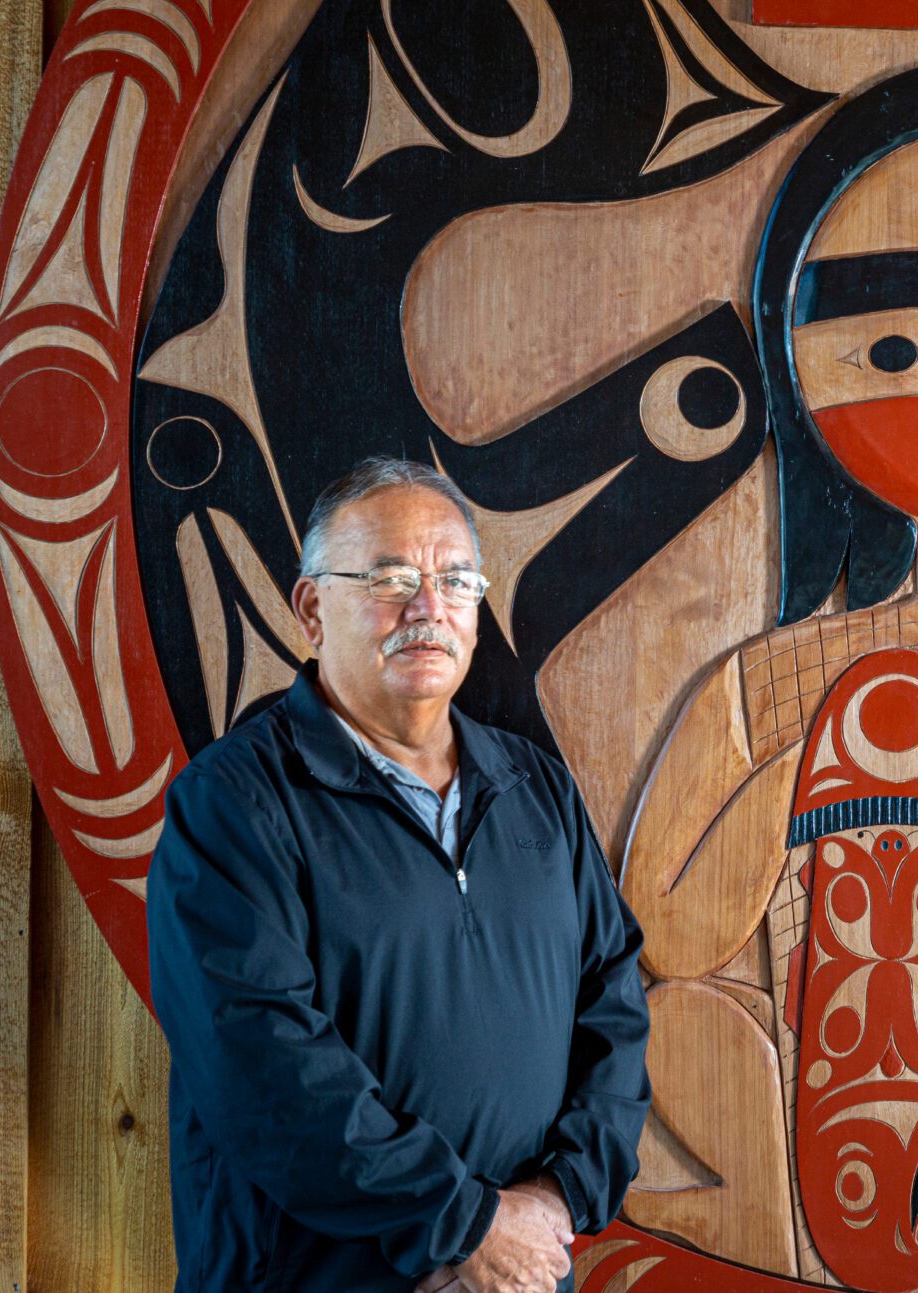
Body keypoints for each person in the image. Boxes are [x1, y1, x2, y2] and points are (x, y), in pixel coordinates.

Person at [147, 457, 650, 1293]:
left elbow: (615, 1005)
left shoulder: (536, 791)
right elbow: (267, 1073)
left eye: (455, 579)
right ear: (311, 608)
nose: (429, 608)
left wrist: (557, 1201)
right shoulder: (232, 807)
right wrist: (466, 1226)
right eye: (388, 577)